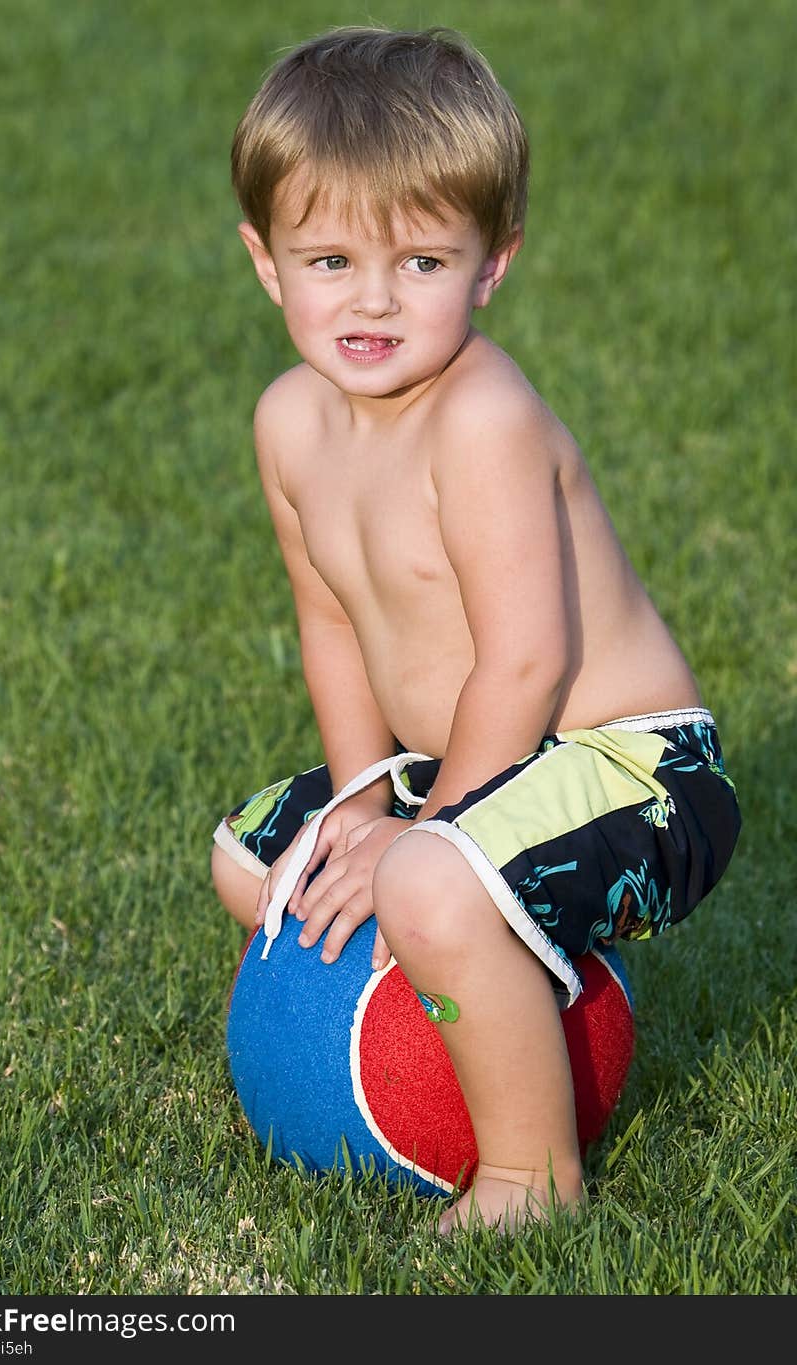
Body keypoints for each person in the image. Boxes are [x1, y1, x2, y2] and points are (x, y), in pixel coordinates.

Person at [211, 25, 741, 1235]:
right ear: (265, 262)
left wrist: (424, 838)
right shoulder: (290, 422)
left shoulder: (480, 417)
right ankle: (473, 985)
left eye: (422, 262)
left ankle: (529, 1174)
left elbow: (527, 659)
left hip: (631, 767)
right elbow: (330, 620)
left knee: (434, 891)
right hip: (482, 754)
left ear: (491, 266)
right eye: (330, 257)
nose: (373, 299)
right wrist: (358, 804)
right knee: (249, 861)